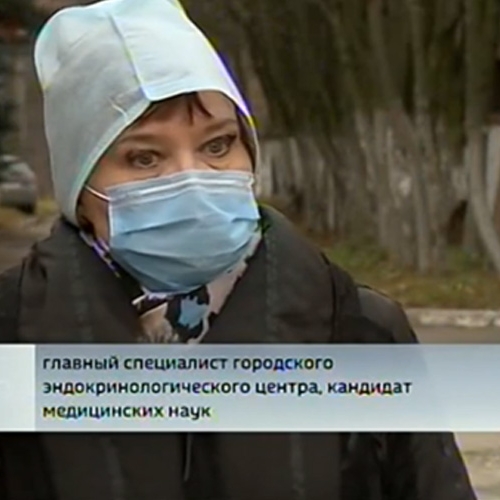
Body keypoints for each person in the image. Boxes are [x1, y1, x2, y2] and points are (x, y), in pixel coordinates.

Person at [0, 0, 477, 499]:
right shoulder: (15, 333)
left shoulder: (356, 329)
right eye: (144, 158)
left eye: (217, 145)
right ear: (80, 187)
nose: (192, 180)